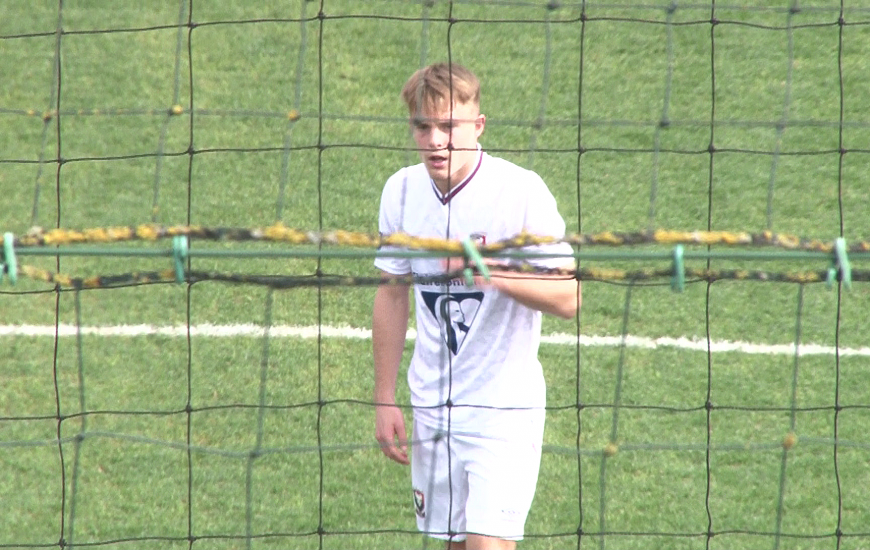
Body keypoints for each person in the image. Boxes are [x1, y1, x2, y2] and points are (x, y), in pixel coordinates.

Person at [372, 62, 581, 550]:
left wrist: (488, 270)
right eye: (423, 126)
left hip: (503, 411)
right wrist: (384, 397)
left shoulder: (520, 192)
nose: (435, 140)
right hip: (432, 407)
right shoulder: (400, 191)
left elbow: (570, 296)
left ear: (478, 126)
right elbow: (391, 290)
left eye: (449, 127)